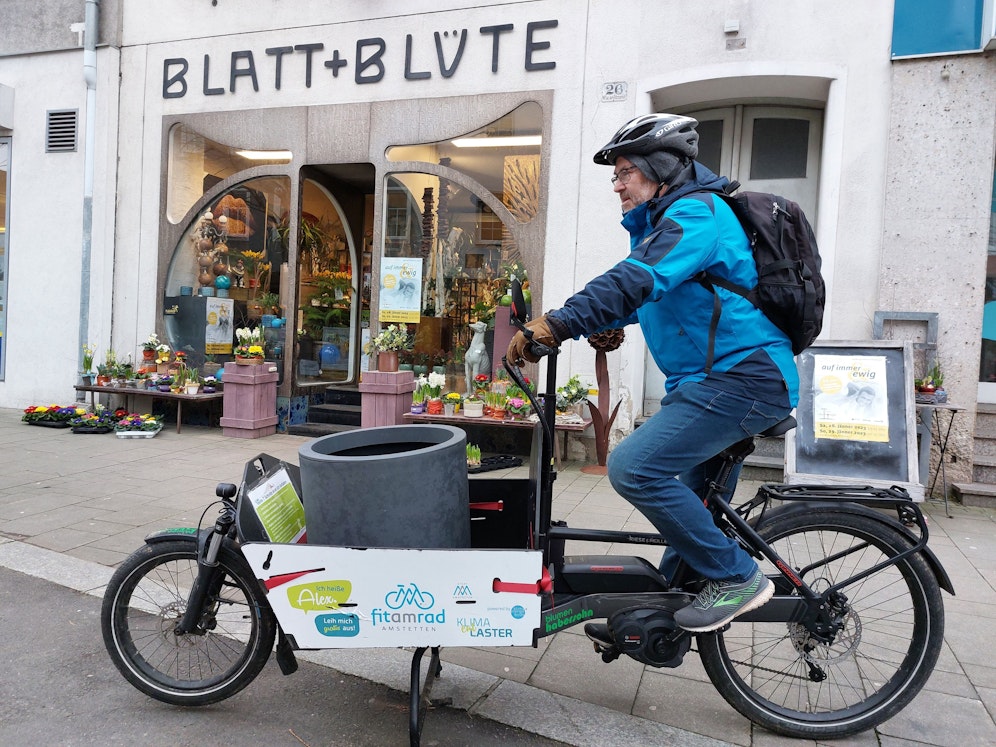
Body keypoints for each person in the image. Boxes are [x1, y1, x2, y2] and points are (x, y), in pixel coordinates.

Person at [506, 113, 799, 635]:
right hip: (710, 385)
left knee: (633, 468)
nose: (616, 184)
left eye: (625, 172)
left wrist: (560, 323)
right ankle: (661, 625)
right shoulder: (666, 224)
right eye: (615, 175)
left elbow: (638, 279)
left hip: (742, 381)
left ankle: (738, 577)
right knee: (695, 518)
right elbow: (654, 292)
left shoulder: (697, 214)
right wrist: (607, 325)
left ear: (660, 168)